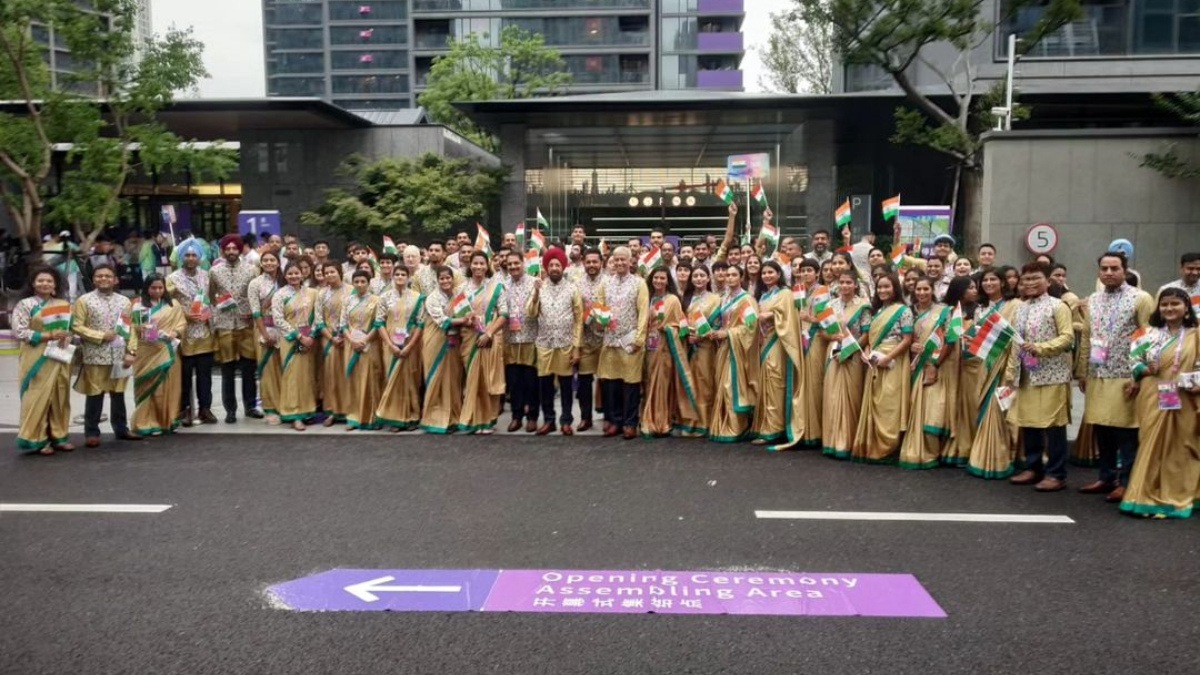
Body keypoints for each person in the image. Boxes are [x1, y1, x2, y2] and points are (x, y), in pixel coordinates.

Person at [1075, 252, 1154, 502]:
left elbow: (1147, 336)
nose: (1109, 273)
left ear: (1125, 270)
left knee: (1126, 431)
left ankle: (1127, 481)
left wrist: (1138, 376)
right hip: (1098, 373)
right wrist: (1083, 372)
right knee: (1102, 428)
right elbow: (1087, 337)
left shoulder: (1140, 298)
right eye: (1104, 268)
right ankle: (1106, 477)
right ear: (1099, 271)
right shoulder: (1094, 300)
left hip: (1125, 374)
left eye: (1114, 268)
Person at [1119, 288, 1200, 518]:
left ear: (1186, 308)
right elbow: (1133, 359)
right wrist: (1144, 369)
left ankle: (1178, 495)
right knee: (1150, 445)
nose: (1169, 308)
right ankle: (1144, 496)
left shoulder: (1196, 334)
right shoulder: (1146, 334)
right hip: (1153, 394)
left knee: (1181, 447)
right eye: (1164, 304)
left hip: (1185, 397)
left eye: (1175, 304)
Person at [1007, 262, 1076, 491]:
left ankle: (1057, 474)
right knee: (1029, 423)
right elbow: (1016, 343)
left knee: (1053, 425)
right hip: (1026, 374)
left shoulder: (1059, 306)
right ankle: (1033, 467)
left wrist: (1041, 348)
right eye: (1025, 279)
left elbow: (1068, 338)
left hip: (1052, 374)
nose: (1030, 283)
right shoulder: (1020, 308)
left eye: (1036, 278)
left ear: (1048, 281)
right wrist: (1011, 373)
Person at [72, 264, 140, 447]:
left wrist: (131, 351)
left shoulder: (125, 301)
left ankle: (121, 429)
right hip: (95, 354)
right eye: (99, 276)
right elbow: (76, 326)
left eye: (108, 276)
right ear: (94, 279)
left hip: (119, 355)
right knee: (95, 394)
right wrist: (101, 336)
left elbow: (131, 328)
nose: (103, 279)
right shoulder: (84, 301)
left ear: (115, 279)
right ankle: (92, 432)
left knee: (118, 394)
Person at [852, 273, 913, 463]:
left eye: (887, 286)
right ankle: (874, 445)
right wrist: (867, 351)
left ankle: (888, 447)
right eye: (879, 287)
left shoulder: (904, 310)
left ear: (895, 288)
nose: (883, 290)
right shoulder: (876, 312)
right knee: (875, 401)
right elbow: (870, 337)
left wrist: (889, 357)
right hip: (875, 359)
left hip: (893, 359)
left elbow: (907, 339)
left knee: (889, 402)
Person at [966, 269, 1022, 479]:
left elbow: (1017, 338)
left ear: (1003, 283)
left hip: (1004, 364)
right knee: (984, 408)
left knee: (1000, 410)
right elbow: (980, 338)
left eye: (993, 279)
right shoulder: (981, 309)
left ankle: (998, 457)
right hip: (984, 365)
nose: (989, 283)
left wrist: (1011, 370)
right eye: (985, 280)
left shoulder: (1014, 306)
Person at [13, 267, 74, 454]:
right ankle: (37, 438)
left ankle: (59, 436)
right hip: (35, 357)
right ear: (33, 283)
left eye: (49, 281)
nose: (45, 284)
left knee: (59, 396)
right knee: (37, 396)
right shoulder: (25, 305)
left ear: (55, 285)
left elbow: (70, 328)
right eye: (40, 280)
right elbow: (20, 331)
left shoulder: (63, 304)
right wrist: (48, 335)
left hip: (59, 356)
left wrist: (67, 336)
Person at [527, 247, 584, 436]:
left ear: (563, 267)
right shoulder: (538, 286)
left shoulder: (572, 288)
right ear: (546, 267)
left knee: (566, 385)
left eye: (557, 265)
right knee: (545, 386)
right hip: (544, 344)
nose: (554, 268)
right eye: (551, 265)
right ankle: (549, 420)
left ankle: (566, 420)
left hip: (566, 344)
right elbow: (531, 313)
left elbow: (578, 319)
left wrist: (576, 347)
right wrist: (535, 294)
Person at [897, 278, 952, 470]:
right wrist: (911, 346)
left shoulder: (943, 312)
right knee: (914, 408)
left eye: (925, 289)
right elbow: (902, 337)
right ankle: (914, 449)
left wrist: (935, 363)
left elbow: (949, 340)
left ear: (932, 290)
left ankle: (931, 452)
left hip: (934, 365)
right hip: (912, 366)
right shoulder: (908, 312)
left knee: (932, 411)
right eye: (918, 289)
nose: (922, 292)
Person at [750, 260, 805, 447]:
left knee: (775, 383)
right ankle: (765, 426)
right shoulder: (763, 296)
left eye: (770, 272)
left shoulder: (785, 294)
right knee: (765, 384)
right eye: (764, 273)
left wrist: (772, 315)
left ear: (779, 274)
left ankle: (774, 429)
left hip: (778, 342)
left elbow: (789, 317)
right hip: (763, 343)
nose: (767, 276)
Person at [597, 246, 650, 439]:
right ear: (612, 261)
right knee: (611, 384)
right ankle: (615, 421)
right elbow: (600, 307)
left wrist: (639, 338)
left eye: (623, 260)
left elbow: (644, 312)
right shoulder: (605, 283)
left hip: (630, 341)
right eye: (616, 260)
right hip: (610, 340)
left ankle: (630, 423)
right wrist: (598, 318)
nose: (619, 263)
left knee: (630, 385)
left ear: (630, 262)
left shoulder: (639, 283)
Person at [640, 266, 697, 438]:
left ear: (667, 281)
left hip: (664, 347)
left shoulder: (672, 300)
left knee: (661, 384)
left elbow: (681, 326)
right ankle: (646, 418)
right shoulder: (647, 298)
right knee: (647, 382)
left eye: (662, 278)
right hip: (645, 348)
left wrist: (668, 328)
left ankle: (660, 421)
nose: (658, 281)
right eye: (656, 278)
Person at [209, 234, 260, 423]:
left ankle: (251, 406)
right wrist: (218, 307)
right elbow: (211, 295)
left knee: (248, 367)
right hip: (224, 324)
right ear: (223, 250)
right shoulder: (214, 272)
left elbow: (256, 295)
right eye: (227, 248)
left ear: (240, 249)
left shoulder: (252, 270)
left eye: (234, 248)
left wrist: (253, 312)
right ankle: (230, 410)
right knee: (227, 369)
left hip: (246, 323)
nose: (231, 251)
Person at [821, 270, 871, 459]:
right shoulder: (830, 305)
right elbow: (823, 333)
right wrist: (833, 337)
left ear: (856, 285)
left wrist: (852, 348)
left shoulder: (863, 306)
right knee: (832, 397)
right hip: (834, 353)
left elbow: (867, 333)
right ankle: (832, 442)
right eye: (842, 282)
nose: (844, 286)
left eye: (849, 282)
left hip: (854, 354)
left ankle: (848, 442)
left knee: (852, 397)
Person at [457, 252, 508, 434]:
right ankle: (472, 419)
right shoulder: (462, 289)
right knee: (471, 379)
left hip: (489, 338)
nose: (478, 267)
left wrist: (489, 333)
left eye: (482, 263)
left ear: (487, 266)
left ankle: (487, 421)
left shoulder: (496, 287)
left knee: (487, 379)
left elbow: (504, 314)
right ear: (470, 266)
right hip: (469, 339)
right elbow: (456, 313)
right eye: (475, 263)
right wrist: (465, 319)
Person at [167, 239, 216, 426]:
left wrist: (208, 313)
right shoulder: (172, 279)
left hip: (204, 331)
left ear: (199, 257)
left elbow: (212, 299)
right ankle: (185, 410)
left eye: (194, 255)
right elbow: (167, 303)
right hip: (184, 332)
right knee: (185, 375)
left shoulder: (207, 276)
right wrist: (185, 314)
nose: (190, 258)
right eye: (186, 255)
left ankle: (205, 409)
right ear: (181, 258)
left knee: (205, 374)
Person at [130, 274, 186, 436]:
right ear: (147, 289)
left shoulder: (173, 305)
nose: (157, 291)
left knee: (168, 387)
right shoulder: (138, 306)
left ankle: (166, 421)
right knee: (147, 387)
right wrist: (138, 329)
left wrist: (174, 332)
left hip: (167, 350)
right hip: (146, 352)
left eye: (160, 287)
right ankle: (145, 422)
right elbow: (132, 326)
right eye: (153, 288)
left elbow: (182, 323)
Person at [708, 264, 759, 443]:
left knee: (731, 386)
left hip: (737, 348)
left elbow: (751, 327)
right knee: (721, 385)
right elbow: (722, 322)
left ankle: (737, 426)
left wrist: (728, 333)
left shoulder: (747, 300)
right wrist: (716, 331)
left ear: (741, 277)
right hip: (724, 347)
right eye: (727, 275)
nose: (729, 278)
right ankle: (724, 423)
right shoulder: (725, 298)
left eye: (733, 275)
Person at [374, 265, 425, 432]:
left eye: (403, 274)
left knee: (411, 379)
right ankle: (395, 418)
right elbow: (379, 323)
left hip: (412, 345)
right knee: (393, 379)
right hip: (390, 346)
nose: (400, 277)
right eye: (397, 274)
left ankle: (412, 416)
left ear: (409, 277)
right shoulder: (384, 297)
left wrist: (410, 346)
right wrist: (390, 344)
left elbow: (420, 323)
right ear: (392, 277)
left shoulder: (418, 297)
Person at [272, 262, 320, 431]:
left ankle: (307, 411)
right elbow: (278, 319)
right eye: (290, 273)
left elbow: (318, 316)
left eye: (296, 273)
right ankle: (294, 414)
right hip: (291, 340)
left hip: (309, 339)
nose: (293, 276)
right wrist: (299, 336)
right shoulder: (280, 295)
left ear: (303, 274)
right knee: (292, 375)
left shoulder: (313, 293)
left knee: (306, 375)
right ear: (285, 276)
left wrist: (311, 335)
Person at [419, 267, 466, 434]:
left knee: (453, 378)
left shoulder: (458, 296)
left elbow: (466, 310)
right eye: (442, 279)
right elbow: (442, 321)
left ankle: (454, 416)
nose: (446, 281)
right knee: (436, 378)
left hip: (454, 343)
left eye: (448, 278)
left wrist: (468, 318)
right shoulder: (432, 298)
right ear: (437, 280)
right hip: (436, 341)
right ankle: (434, 418)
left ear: (453, 279)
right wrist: (465, 320)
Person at [676, 264, 719, 438]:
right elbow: (679, 321)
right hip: (687, 347)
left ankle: (704, 422)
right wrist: (686, 335)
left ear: (709, 278)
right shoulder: (684, 298)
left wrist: (701, 337)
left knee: (705, 384)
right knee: (689, 383)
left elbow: (718, 324)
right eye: (696, 276)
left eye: (702, 275)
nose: (699, 279)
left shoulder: (715, 299)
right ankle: (689, 421)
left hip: (706, 347)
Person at [942, 275, 980, 466]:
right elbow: (945, 338)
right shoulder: (948, 311)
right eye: (970, 287)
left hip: (974, 366)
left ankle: (973, 448)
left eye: (975, 287)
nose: (974, 291)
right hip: (951, 365)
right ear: (959, 290)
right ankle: (956, 448)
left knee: (972, 406)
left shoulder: (980, 311)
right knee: (954, 405)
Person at [340, 270, 384, 431]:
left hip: (370, 345)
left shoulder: (377, 300)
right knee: (353, 380)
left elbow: (379, 324)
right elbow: (343, 324)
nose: (359, 285)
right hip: (351, 345)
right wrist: (352, 340)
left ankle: (372, 417)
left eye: (363, 281)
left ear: (369, 282)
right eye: (356, 281)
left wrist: (365, 340)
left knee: (370, 380)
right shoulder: (347, 301)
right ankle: (354, 418)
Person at [502, 251, 539, 432]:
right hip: (510, 339)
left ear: (523, 263)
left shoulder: (534, 283)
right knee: (514, 381)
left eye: (516, 263)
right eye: (510, 264)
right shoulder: (502, 285)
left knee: (531, 381)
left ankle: (532, 416)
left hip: (530, 338)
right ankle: (516, 416)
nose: (513, 267)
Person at [794, 259, 828, 450]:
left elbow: (827, 319)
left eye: (810, 270)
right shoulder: (798, 291)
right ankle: (803, 427)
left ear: (817, 273)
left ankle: (815, 431)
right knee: (802, 383)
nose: (806, 274)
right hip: (800, 339)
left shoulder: (822, 291)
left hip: (815, 338)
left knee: (814, 383)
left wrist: (811, 319)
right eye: (803, 270)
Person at [248, 251, 284, 424]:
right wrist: (264, 333)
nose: (269, 263)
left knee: (285, 367)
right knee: (268, 370)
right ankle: (270, 408)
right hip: (264, 329)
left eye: (272, 260)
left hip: (285, 331)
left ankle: (286, 406)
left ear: (278, 262)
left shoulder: (285, 281)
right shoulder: (255, 283)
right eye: (266, 260)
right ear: (261, 264)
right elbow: (255, 312)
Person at [574, 248, 605, 431]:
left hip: (606, 339)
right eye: (589, 262)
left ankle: (609, 416)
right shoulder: (576, 284)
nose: (592, 265)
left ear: (601, 262)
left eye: (595, 262)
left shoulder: (609, 282)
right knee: (584, 382)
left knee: (607, 381)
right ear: (584, 262)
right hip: (585, 339)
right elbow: (575, 314)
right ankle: (586, 418)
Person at [317, 263, 351, 426]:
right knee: (331, 375)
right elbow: (318, 320)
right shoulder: (321, 294)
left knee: (348, 373)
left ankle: (350, 411)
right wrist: (331, 338)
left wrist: (348, 336)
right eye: (327, 272)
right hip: (329, 339)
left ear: (340, 272)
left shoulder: (351, 290)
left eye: (333, 271)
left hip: (349, 338)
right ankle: (332, 411)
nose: (330, 274)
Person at [1157, 252, 1200, 316]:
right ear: (1181, 268)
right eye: (1190, 268)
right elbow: (1159, 315)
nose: (1195, 272)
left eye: (1198, 269)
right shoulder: (1166, 289)